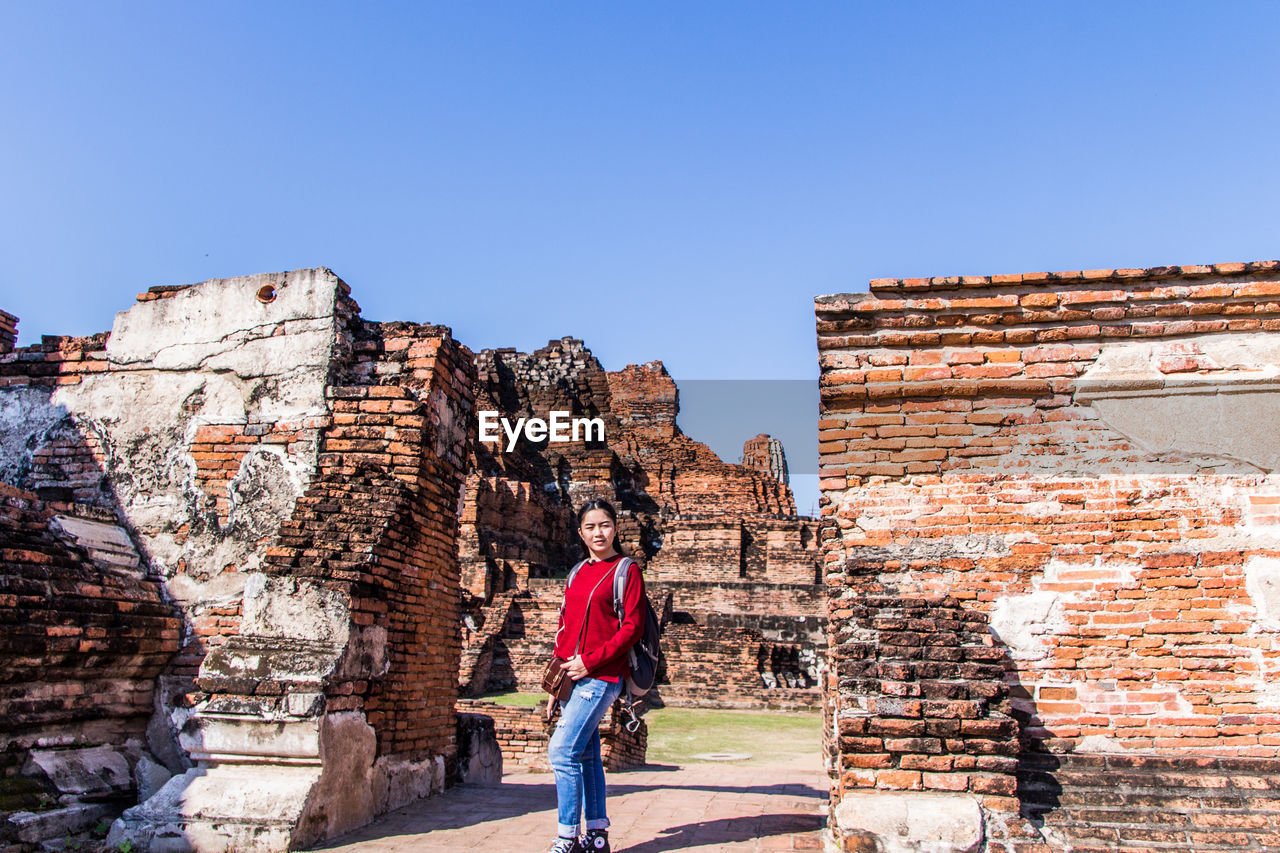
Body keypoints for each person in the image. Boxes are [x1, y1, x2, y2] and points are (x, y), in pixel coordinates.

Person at [546, 498, 646, 853]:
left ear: (615, 527)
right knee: (585, 754)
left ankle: (568, 837)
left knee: (561, 752)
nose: (598, 532)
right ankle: (598, 834)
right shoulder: (576, 572)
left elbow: (632, 628)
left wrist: (591, 662)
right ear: (580, 533)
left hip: (602, 676)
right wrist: (558, 680)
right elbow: (566, 627)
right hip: (573, 677)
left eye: (604, 525)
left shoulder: (626, 570)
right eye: (590, 527)